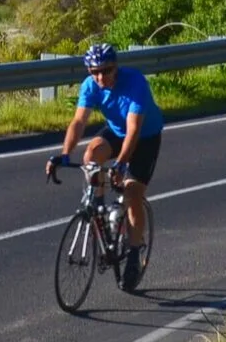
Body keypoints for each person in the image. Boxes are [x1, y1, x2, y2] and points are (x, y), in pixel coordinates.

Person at [44, 41, 164, 255]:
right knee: (91, 154)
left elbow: (134, 128)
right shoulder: (90, 85)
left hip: (145, 137)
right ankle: (98, 208)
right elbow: (79, 122)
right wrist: (64, 155)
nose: (101, 77)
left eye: (106, 71)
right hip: (117, 131)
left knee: (132, 193)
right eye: (95, 72)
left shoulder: (135, 82)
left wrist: (121, 163)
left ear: (115, 67)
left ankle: (135, 250)